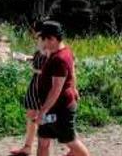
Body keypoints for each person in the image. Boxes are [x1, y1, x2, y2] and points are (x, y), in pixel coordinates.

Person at [34, 21, 90, 156]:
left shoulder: (60, 59)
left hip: (61, 109)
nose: (43, 43)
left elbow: (56, 89)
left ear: (52, 39)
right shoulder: (61, 52)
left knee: (71, 142)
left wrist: (43, 111)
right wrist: (74, 89)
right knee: (43, 142)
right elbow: (73, 73)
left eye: (44, 39)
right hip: (51, 108)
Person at [9, 21, 48, 156]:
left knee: (48, 118)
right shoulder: (41, 42)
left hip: (43, 84)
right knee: (31, 115)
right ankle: (27, 147)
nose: (33, 34)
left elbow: (54, 66)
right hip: (35, 84)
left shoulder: (49, 44)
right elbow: (39, 58)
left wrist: (37, 70)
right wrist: (26, 58)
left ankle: (71, 144)